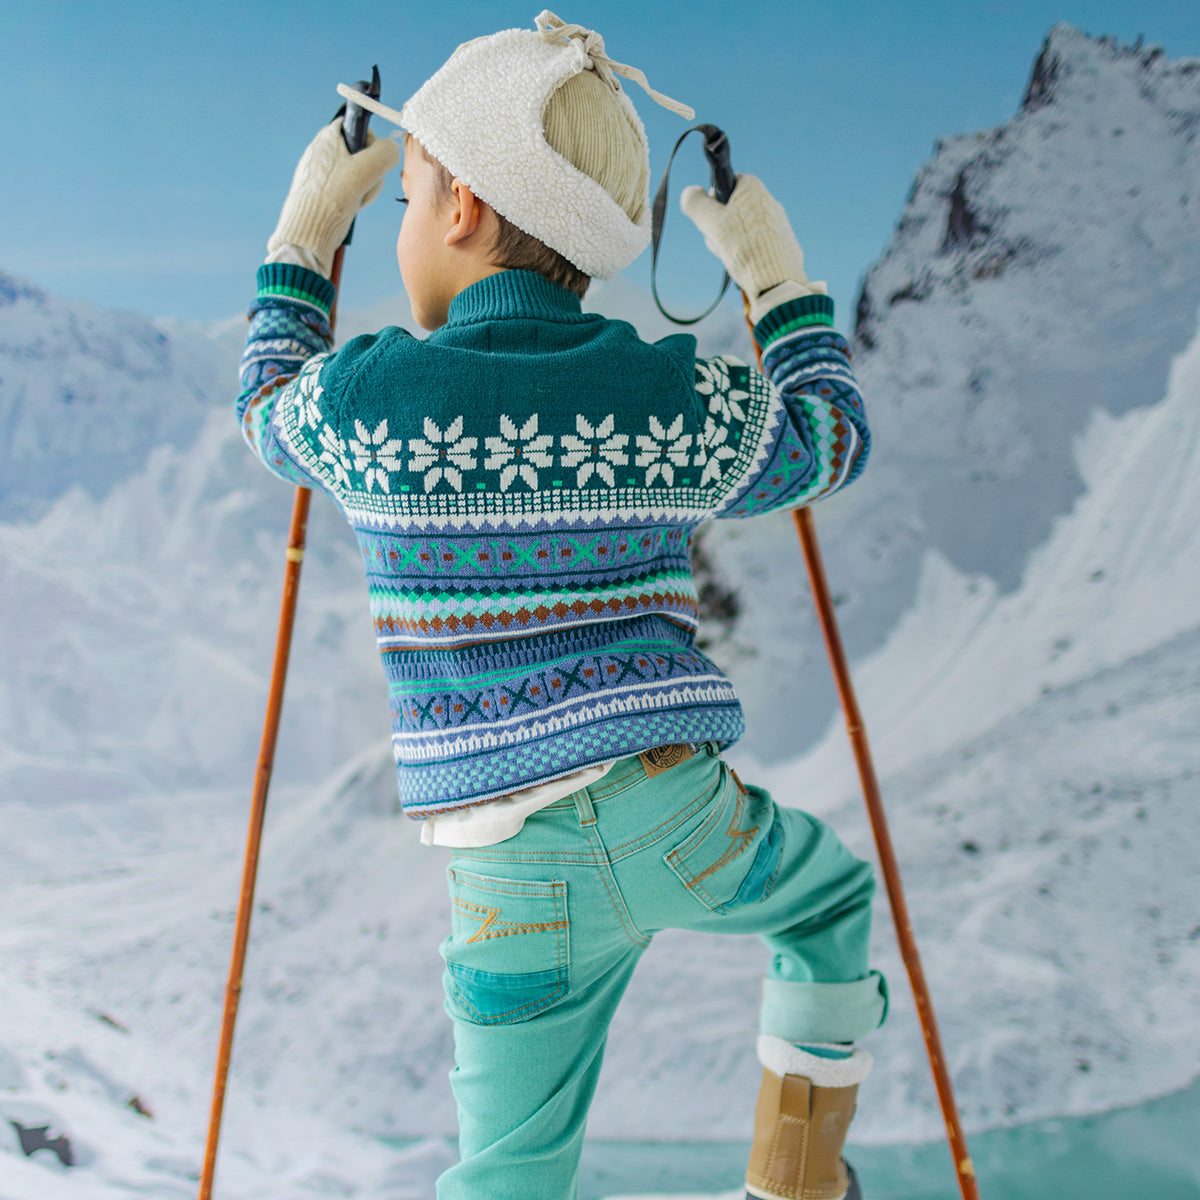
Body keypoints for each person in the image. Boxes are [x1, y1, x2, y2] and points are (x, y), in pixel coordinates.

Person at [237, 12, 887, 1200]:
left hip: (506, 883)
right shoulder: (672, 391)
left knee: (507, 1170)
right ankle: (793, 1180)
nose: (396, 233)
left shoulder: (367, 399)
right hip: (678, 817)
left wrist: (305, 231)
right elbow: (830, 441)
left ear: (466, 207)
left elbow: (266, 406)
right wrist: (775, 283)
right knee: (833, 899)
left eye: (402, 203)